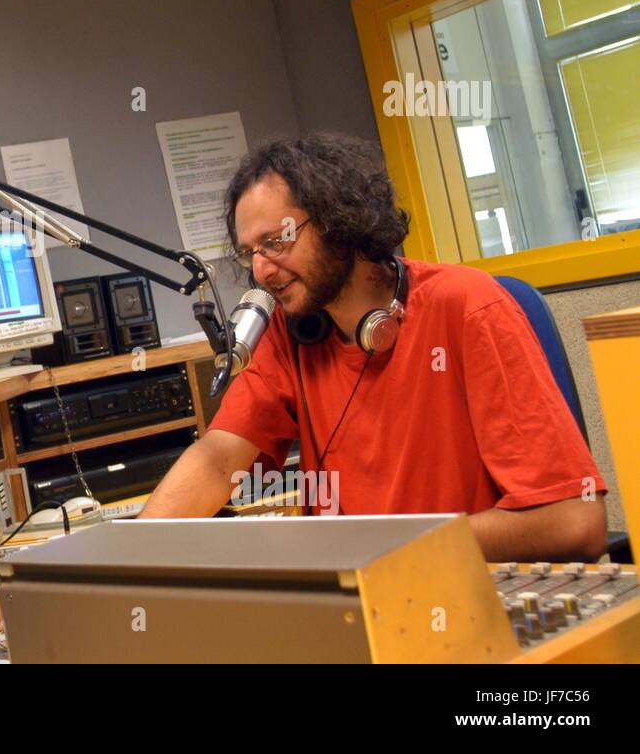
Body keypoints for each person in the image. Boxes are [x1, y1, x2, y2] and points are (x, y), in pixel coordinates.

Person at [140, 132, 608, 561]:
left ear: (338, 221)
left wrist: (385, 547)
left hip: (458, 596)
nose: (261, 271)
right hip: (356, 601)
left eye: (276, 242)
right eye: (250, 253)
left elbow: (573, 522)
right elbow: (220, 459)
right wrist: (131, 560)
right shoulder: (292, 332)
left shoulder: (468, 307)